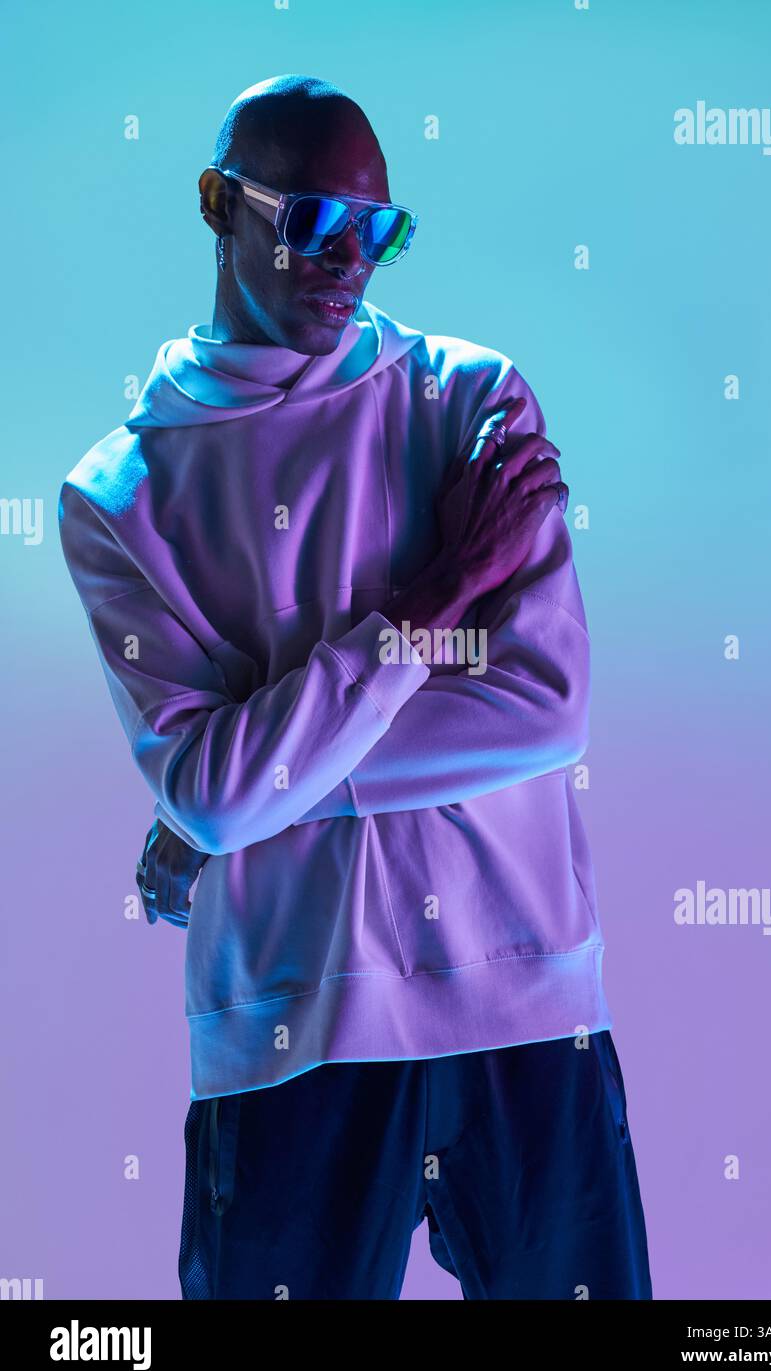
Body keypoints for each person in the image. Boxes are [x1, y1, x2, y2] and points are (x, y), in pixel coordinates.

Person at [58, 74, 652, 1300]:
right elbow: (216, 794)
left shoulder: (469, 403)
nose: (347, 263)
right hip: (285, 1029)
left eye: (377, 232)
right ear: (220, 206)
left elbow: (540, 703)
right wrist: (428, 608)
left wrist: (244, 793)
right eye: (312, 223)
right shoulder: (118, 497)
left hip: (524, 1008)